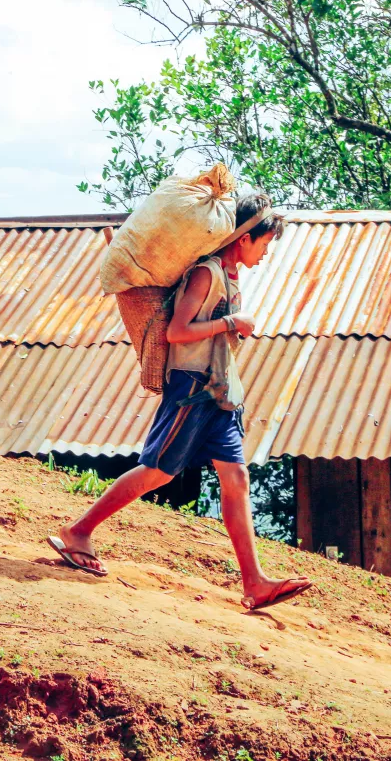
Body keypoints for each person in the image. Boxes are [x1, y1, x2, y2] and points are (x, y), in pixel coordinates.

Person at [48, 193, 311, 611]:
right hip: (192, 388)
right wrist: (230, 322)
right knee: (157, 471)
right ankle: (78, 532)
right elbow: (177, 332)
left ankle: (255, 582)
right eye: (264, 244)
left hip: (220, 392)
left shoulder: (230, 277)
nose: (265, 253)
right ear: (244, 238)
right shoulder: (205, 274)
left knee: (236, 478)